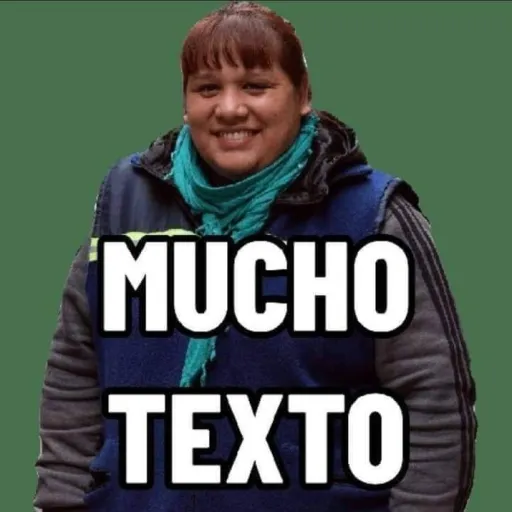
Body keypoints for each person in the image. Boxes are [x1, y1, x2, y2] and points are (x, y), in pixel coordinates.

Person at [34, 1, 477, 511]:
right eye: (207, 89)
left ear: (303, 96)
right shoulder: (127, 199)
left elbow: (435, 403)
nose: (229, 108)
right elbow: (75, 368)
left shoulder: (372, 218)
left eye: (255, 86)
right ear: (185, 103)